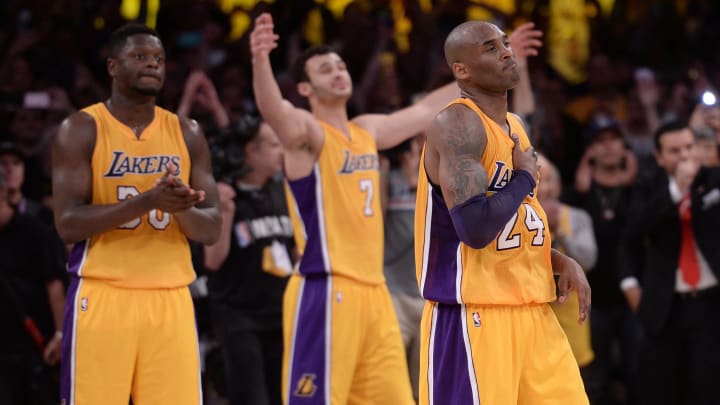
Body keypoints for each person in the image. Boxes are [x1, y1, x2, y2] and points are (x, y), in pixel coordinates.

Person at [250, 11, 460, 404]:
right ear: (306, 89)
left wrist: (472, 73)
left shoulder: (366, 130)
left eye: (341, 66)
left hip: (375, 291)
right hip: (326, 287)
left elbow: (422, 111)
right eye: (325, 69)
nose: (337, 72)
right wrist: (260, 60)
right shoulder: (308, 135)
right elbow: (275, 111)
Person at [415, 20, 591, 404]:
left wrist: (556, 260)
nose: (507, 52)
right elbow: (476, 228)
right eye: (490, 48)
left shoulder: (515, 126)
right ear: (461, 69)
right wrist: (525, 179)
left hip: (532, 310)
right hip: (475, 315)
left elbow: (511, 219)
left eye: (506, 43)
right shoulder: (457, 123)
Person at [52, 23, 221, 405]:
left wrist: (180, 208)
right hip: (103, 295)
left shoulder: (187, 131)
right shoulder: (81, 128)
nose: (153, 65)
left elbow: (210, 230)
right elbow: (67, 224)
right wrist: (147, 202)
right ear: (112, 66)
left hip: (171, 298)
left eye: (159, 59)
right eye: (140, 57)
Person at [618, 121, 720, 405]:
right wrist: (629, 285)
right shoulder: (648, 185)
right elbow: (634, 231)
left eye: (690, 147)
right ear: (659, 157)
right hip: (665, 306)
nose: (686, 156)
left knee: (710, 390)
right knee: (663, 389)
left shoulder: (714, 179)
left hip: (712, 305)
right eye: (675, 151)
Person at [203, 117, 294, 405]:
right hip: (240, 320)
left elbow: (293, 253)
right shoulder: (225, 196)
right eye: (273, 145)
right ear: (250, 151)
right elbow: (213, 260)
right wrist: (224, 211)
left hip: (281, 315)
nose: (281, 151)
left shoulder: (281, 193)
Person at [0, 166, 66, 405]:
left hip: (35, 340)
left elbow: (54, 285)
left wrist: (60, 335)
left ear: (2, 193)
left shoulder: (35, 231)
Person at [537, 153, 597, 373]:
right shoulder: (515, 222)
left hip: (572, 320)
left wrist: (559, 231)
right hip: (535, 322)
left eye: (550, 179)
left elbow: (588, 261)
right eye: (539, 179)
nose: (545, 187)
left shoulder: (577, 217)